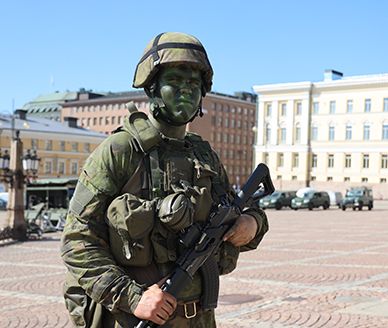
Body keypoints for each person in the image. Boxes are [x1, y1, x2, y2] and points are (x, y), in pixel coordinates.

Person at [60, 32, 269, 328]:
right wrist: (133, 298)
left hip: (200, 320)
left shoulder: (204, 154)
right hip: (136, 319)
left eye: (194, 83)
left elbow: (245, 210)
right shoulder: (120, 151)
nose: (186, 90)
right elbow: (76, 241)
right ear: (153, 87)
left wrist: (251, 225)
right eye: (174, 81)